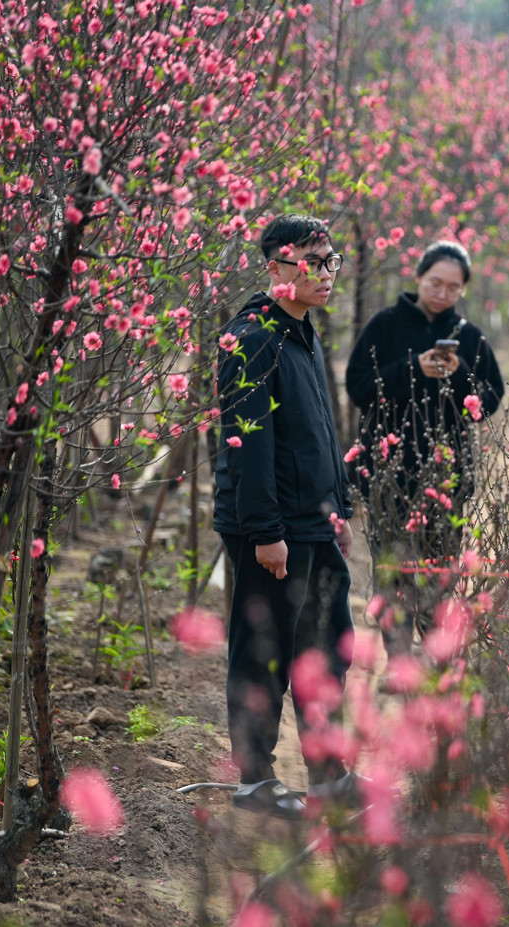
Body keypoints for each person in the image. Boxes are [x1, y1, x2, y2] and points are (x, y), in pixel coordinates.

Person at [213, 214, 357, 818]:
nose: (326, 275)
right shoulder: (254, 339)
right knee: (264, 653)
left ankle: (328, 774)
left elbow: (320, 430)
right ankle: (254, 782)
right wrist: (266, 533)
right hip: (273, 529)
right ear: (276, 267)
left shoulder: (301, 330)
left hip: (313, 521)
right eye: (313, 263)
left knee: (326, 651)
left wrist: (339, 509)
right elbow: (249, 447)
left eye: (331, 262)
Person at [344, 241, 504, 639]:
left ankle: (435, 665)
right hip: (388, 476)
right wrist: (410, 369)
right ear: (418, 278)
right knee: (393, 574)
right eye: (435, 283)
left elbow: (489, 400)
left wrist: (460, 371)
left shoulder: (468, 336)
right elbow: (358, 387)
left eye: (453, 288)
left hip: (446, 478)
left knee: (440, 577)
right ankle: (399, 663)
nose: (443, 294)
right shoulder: (383, 326)